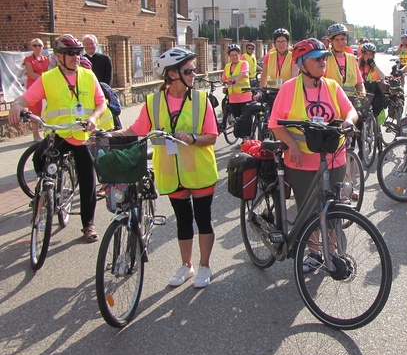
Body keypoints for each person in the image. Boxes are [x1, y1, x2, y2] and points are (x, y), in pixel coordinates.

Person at [117, 48, 219, 288]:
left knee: (203, 220)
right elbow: (136, 129)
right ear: (172, 74)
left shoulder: (201, 100)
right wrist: (112, 134)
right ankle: (187, 266)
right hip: (171, 174)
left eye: (193, 69)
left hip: (200, 170)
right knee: (183, 221)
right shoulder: (153, 102)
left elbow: (212, 137)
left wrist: (192, 138)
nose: (194, 74)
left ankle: (205, 266)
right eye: (189, 70)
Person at [268, 39, 357, 271]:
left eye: (324, 58)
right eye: (317, 58)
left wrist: (349, 120)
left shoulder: (332, 86)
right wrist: (292, 145)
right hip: (301, 163)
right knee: (308, 211)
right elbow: (276, 124)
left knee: (332, 209)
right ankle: (314, 253)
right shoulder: (289, 88)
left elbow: (350, 110)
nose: (322, 62)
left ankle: (329, 253)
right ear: (302, 63)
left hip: (333, 158)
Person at [9, 34, 108, 243]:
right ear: (58, 56)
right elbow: (24, 99)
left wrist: (93, 117)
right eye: (70, 54)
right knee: (38, 158)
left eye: (78, 53)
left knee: (87, 179)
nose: (76, 57)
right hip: (59, 133)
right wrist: (16, 106)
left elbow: (101, 103)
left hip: (81, 134)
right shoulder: (48, 78)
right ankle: (46, 193)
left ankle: (88, 224)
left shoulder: (88, 76)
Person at [324, 23, 365, 95]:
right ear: (331, 41)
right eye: (337, 40)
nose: (340, 43)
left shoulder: (352, 59)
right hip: (332, 101)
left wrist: (363, 96)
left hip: (350, 102)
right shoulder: (325, 58)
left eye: (343, 39)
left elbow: (359, 83)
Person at [22, 38, 50, 141]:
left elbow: (49, 71)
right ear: (31, 47)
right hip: (34, 85)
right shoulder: (28, 59)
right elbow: (31, 74)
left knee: (52, 105)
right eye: (35, 45)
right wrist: (44, 79)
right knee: (34, 110)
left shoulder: (46, 59)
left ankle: (50, 130)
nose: (37, 47)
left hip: (46, 85)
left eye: (39, 45)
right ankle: (35, 134)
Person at [358, 41, 387, 119]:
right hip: (360, 93)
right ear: (363, 55)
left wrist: (373, 65)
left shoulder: (375, 67)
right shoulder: (357, 65)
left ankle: (377, 129)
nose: (368, 56)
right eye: (366, 54)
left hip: (372, 93)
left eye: (370, 54)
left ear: (373, 56)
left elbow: (382, 77)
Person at [222, 44, 252, 119]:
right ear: (229, 56)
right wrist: (226, 86)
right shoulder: (227, 66)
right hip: (233, 98)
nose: (234, 57)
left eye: (236, 55)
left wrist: (234, 80)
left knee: (245, 120)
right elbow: (225, 79)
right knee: (237, 120)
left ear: (239, 55)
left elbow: (243, 73)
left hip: (245, 97)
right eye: (232, 55)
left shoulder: (244, 63)